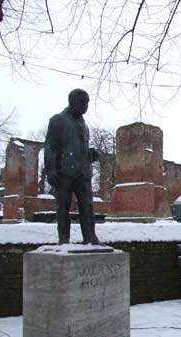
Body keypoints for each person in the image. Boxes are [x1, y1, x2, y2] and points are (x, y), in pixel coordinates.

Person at [44, 89, 102, 245]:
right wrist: (51, 170)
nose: (85, 106)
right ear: (71, 102)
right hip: (64, 171)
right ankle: (64, 239)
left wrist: (90, 154)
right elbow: (50, 146)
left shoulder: (84, 124)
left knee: (87, 206)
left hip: (83, 172)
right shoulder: (58, 120)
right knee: (63, 206)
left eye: (87, 103)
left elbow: (78, 149)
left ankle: (90, 237)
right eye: (82, 102)